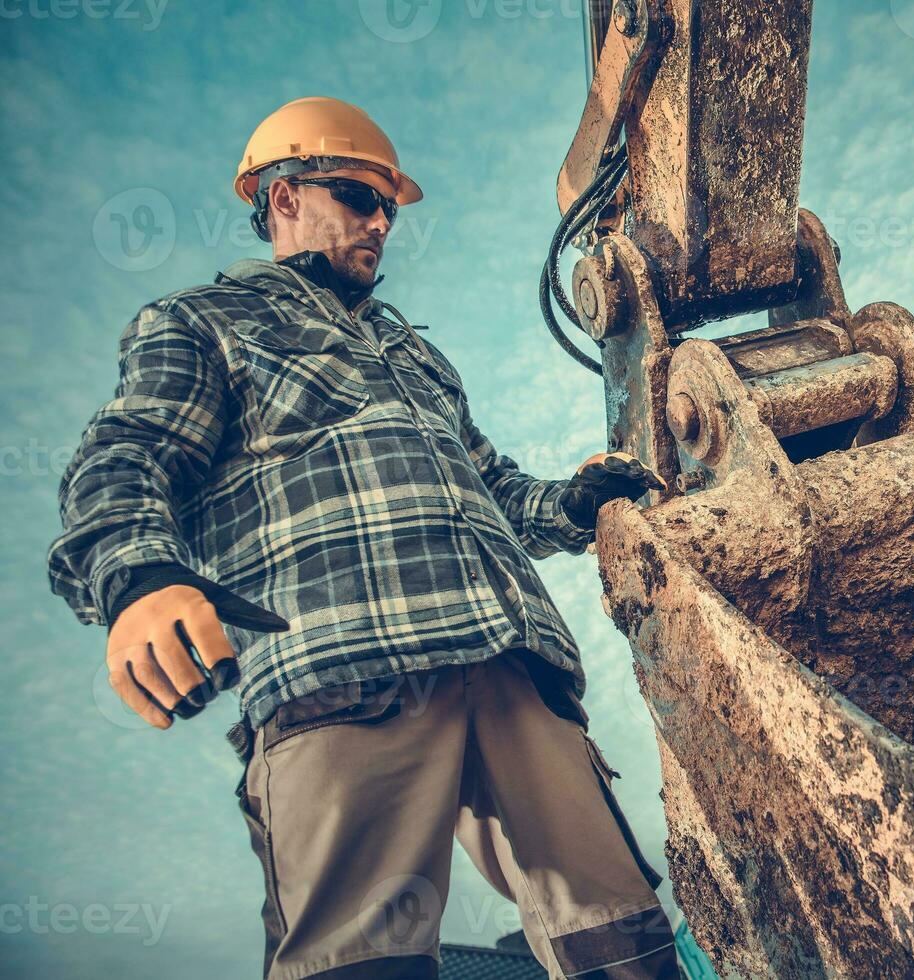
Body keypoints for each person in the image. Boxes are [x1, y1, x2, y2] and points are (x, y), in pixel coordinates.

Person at [47, 96, 679, 980]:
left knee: (626, 948)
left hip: (509, 664)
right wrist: (138, 577)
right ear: (281, 198)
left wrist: (571, 506)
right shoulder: (205, 321)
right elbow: (127, 453)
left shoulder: (413, 353)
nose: (381, 221)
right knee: (358, 960)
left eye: (388, 206)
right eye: (355, 195)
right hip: (343, 668)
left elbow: (492, 488)